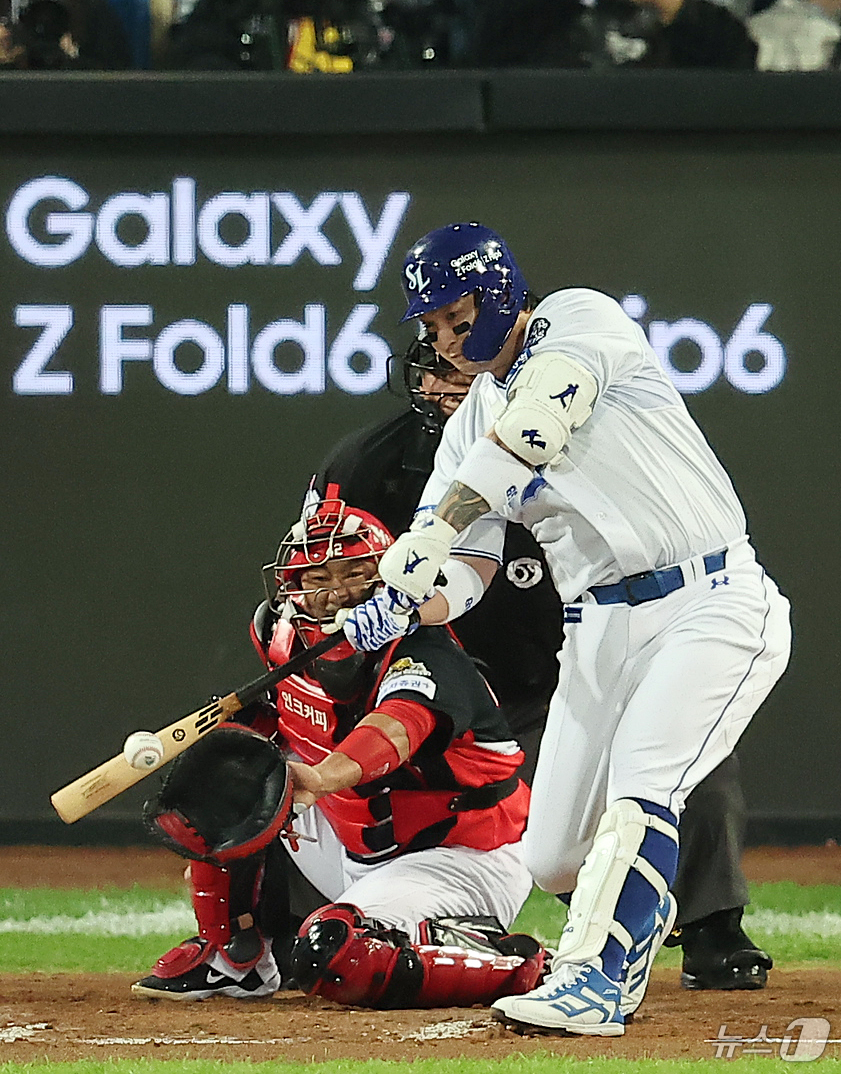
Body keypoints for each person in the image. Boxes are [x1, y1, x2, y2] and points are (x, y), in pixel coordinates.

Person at [338, 221, 792, 1035]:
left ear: (498, 290)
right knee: (552, 857)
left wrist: (428, 535)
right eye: (432, 327)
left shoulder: (579, 321)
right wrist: (406, 601)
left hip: (710, 598)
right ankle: (628, 934)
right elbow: (464, 575)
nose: (444, 341)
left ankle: (597, 982)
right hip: (596, 630)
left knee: (643, 783)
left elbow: (537, 426)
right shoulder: (468, 425)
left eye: (455, 316)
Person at [132, 495, 549, 1008]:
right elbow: (286, 716)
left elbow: (393, 730)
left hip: (457, 855)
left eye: (354, 573)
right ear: (293, 587)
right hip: (354, 841)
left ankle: (517, 966)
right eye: (317, 578)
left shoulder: (424, 650)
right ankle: (234, 958)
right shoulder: (279, 636)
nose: (335, 594)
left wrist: (321, 778)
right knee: (226, 788)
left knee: (332, 952)